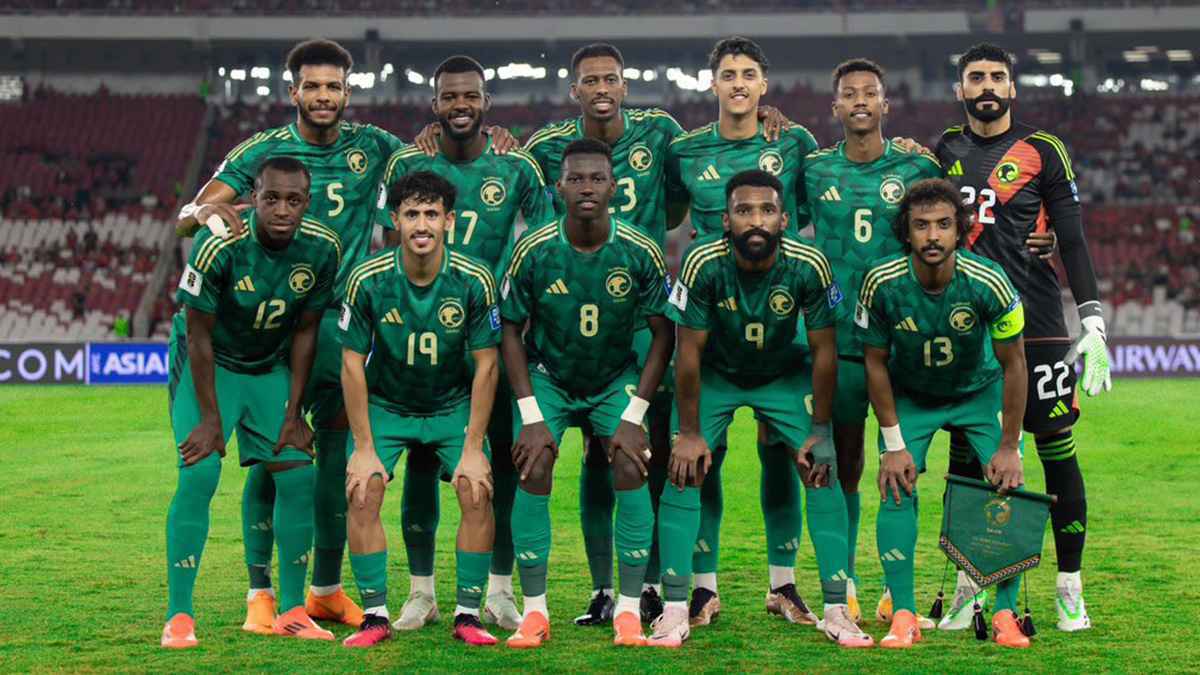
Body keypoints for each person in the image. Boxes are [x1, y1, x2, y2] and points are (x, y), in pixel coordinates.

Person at [175, 38, 405, 629]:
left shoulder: (376, 146)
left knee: (330, 460)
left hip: (342, 325)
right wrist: (206, 213)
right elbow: (189, 216)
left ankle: (325, 588)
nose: (323, 96)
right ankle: (261, 591)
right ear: (293, 91)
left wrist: (488, 138)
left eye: (334, 87)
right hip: (279, 326)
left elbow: (437, 166)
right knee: (271, 456)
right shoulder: (263, 150)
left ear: (347, 92)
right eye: (313, 86)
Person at [651, 169, 870, 649]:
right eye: (744, 211)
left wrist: (820, 429)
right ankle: (676, 608)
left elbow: (825, 350)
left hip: (783, 374)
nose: (756, 220)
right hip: (717, 374)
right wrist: (690, 432)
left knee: (822, 467)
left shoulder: (809, 263)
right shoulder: (701, 261)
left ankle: (837, 610)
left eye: (767, 210)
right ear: (725, 220)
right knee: (684, 468)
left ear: (784, 220)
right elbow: (687, 352)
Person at [379, 54, 553, 635]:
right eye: (450, 96)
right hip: (421, 333)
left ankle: (499, 591)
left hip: (491, 339)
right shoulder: (409, 162)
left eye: (470, 96)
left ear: (486, 103)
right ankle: (421, 593)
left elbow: (542, 241)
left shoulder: (517, 165)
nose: (461, 105)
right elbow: (387, 243)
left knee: (498, 464)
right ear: (435, 104)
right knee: (421, 457)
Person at [937, 43, 1108, 632]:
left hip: (1037, 326)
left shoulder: (1043, 149)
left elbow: (1073, 238)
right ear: (960, 89)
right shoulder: (943, 150)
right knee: (967, 456)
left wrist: (1092, 319)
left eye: (997, 77)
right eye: (975, 77)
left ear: (1012, 87)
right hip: (966, 326)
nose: (986, 85)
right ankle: (969, 588)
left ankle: (1069, 588)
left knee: (1055, 447)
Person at [664, 35, 822, 628]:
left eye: (748, 74)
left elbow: (814, 210)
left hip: (779, 323)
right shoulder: (684, 151)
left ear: (763, 84)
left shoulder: (796, 142)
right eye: (728, 74)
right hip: (713, 325)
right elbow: (667, 215)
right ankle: (703, 589)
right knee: (704, 456)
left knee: (783, 451)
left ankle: (783, 584)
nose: (738, 83)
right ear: (713, 84)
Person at [499, 138, 673, 648]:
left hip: (613, 377)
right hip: (550, 376)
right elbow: (509, 329)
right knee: (533, 463)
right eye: (576, 179)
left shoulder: (638, 250)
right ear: (559, 188)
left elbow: (664, 333)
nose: (587, 188)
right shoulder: (534, 248)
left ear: (614, 187)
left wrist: (635, 413)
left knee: (631, 463)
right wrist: (531, 414)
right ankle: (535, 611)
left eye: (597, 179)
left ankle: (628, 611)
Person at [161, 157, 341, 648]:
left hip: (267, 367)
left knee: (298, 474)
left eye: (293, 200)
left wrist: (293, 413)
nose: (282, 210)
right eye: (271, 198)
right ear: (253, 198)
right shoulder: (219, 243)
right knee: (199, 472)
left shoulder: (323, 248)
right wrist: (210, 419)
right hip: (212, 366)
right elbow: (198, 334)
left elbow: (305, 331)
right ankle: (179, 616)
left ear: (307, 203)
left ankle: (292, 611)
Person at [798, 58, 942, 622]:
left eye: (870, 93)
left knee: (901, 464)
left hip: (898, 342)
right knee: (844, 463)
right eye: (849, 93)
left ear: (886, 104)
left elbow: (946, 231)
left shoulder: (917, 165)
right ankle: (848, 584)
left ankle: (893, 589)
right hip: (836, 341)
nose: (859, 100)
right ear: (835, 106)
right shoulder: (813, 169)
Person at [857, 177, 1030, 649]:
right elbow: (874, 362)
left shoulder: (989, 280)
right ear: (906, 231)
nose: (932, 236)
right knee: (896, 486)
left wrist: (1009, 447)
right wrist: (894, 445)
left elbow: (1016, 365)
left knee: (1010, 489)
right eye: (921, 225)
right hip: (912, 396)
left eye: (943, 225)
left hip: (979, 392)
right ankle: (904, 615)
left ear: (960, 230)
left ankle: (1005, 614)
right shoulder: (881, 282)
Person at [339, 172, 500, 648]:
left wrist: (474, 446)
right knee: (362, 490)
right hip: (388, 405)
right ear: (395, 220)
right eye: (412, 214)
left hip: (451, 405)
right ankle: (374, 617)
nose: (422, 224)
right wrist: (363, 447)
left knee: (476, 489)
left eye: (432, 213)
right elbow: (351, 363)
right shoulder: (368, 278)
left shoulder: (474, 278)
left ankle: (468, 614)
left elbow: (487, 365)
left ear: (449, 221)